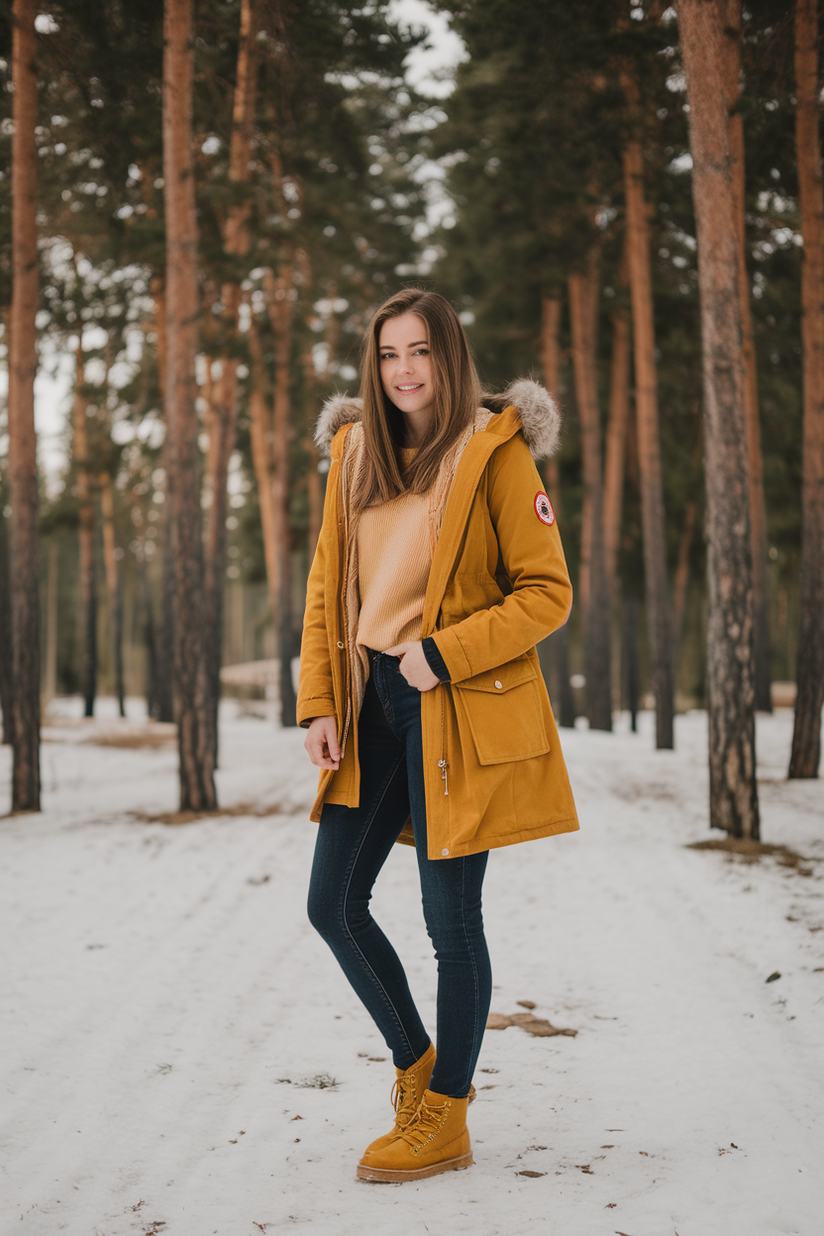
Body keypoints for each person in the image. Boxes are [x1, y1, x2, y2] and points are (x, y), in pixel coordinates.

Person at [298, 287, 579, 1183]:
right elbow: (323, 591)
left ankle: (447, 1116)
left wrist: (442, 654)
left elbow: (547, 593)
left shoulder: (495, 454)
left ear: (447, 357)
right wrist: (318, 702)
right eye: (388, 354)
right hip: (369, 702)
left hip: (450, 700)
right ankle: (418, 1067)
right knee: (333, 904)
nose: (404, 370)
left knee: (449, 923)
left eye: (419, 351)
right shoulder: (355, 454)